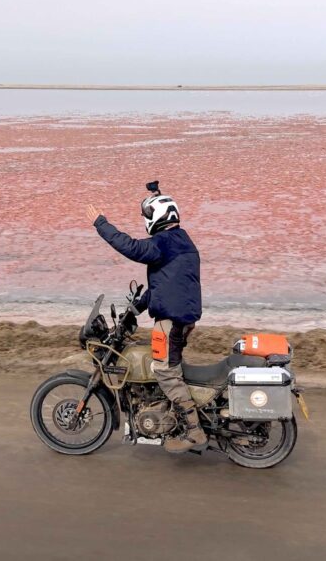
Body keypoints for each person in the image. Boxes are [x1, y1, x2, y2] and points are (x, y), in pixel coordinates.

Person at [85, 182, 207, 453]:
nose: (145, 222)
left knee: (165, 371)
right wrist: (136, 309)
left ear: (156, 218)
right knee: (167, 366)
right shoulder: (181, 241)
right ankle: (169, 414)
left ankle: (194, 431)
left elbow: (132, 248)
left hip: (171, 321)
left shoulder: (164, 243)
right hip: (180, 316)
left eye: (146, 217)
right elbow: (164, 287)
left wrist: (100, 224)